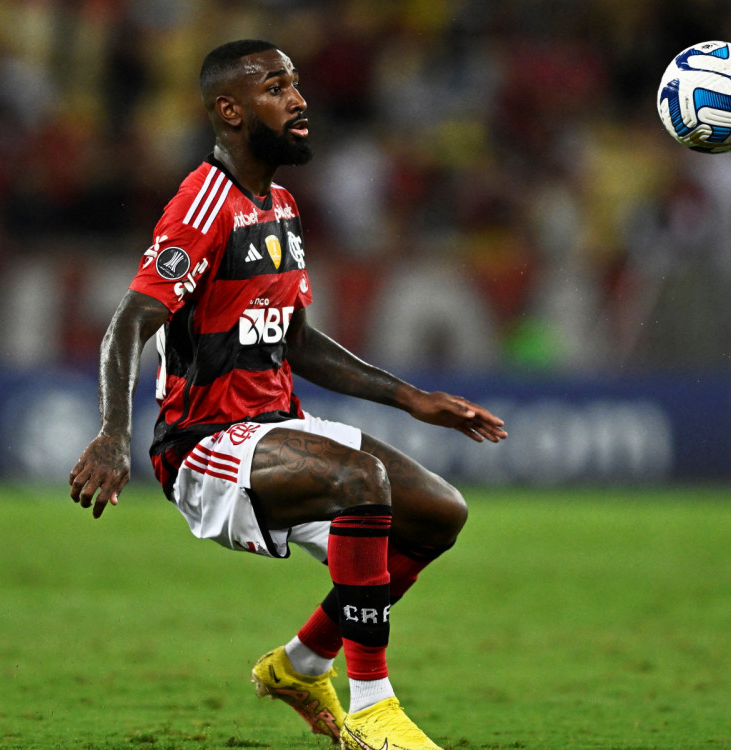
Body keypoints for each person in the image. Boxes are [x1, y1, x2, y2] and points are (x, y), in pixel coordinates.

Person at [67, 40, 507, 750]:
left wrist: (410, 397)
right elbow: (130, 322)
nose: (299, 100)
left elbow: (296, 340)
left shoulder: (280, 206)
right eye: (277, 88)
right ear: (230, 110)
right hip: (204, 446)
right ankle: (373, 710)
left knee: (439, 514)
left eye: (297, 84)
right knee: (362, 482)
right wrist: (113, 434)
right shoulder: (201, 205)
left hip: (275, 425)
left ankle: (301, 666)